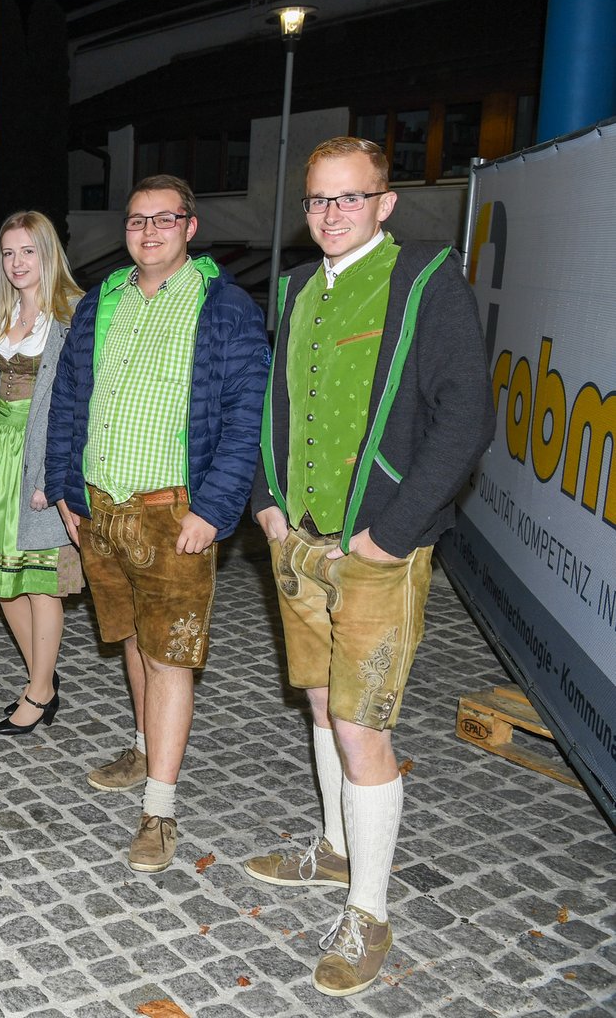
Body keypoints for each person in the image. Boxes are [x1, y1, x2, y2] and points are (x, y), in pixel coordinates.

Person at [243, 137, 492, 997]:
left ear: (385, 202)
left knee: (361, 727)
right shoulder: (298, 288)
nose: (331, 214)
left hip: (377, 548)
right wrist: (267, 500)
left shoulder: (425, 280)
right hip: (299, 539)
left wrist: (393, 532)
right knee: (321, 701)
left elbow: (466, 417)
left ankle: (370, 911)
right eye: (318, 199)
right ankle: (334, 847)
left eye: (350, 197)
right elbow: (278, 401)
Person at [44, 175, 268, 873]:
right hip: (101, 506)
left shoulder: (224, 306)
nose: (148, 231)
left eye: (164, 220)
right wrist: (65, 488)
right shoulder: (102, 299)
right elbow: (68, 398)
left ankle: (160, 810)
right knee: (135, 641)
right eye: (138, 220)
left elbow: (247, 416)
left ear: (190, 227)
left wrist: (214, 509)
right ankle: (144, 749)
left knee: (169, 655)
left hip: (175, 512)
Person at [0, 211, 83, 735]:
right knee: (4, 582)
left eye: (28, 251)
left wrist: (49, 476)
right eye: (8, 253)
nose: (16, 262)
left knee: (40, 582)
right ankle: (44, 681)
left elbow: (76, 406)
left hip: (38, 452)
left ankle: (37, 691)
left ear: (48, 254)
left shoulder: (71, 317)